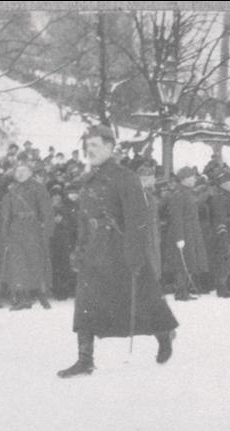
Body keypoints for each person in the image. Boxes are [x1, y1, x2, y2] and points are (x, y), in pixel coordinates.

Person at [57, 125, 179, 378]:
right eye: (87, 146)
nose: (90, 151)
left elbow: (137, 219)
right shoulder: (88, 180)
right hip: (94, 250)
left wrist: (135, 255)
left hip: (121, 250)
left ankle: (164, 333)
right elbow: (84, 220)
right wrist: (79, 250)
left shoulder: (125, 177)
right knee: (86, 303)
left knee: (144, 300)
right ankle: (85, 359)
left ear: (110, 147)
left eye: (95, 145)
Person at [1, 159, 54, 310]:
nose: (20, 173)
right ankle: (23, 297)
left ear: (30, 173)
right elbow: (6, 215)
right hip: (16, 230)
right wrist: (5, 234)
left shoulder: (39, 188)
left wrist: (47, 231)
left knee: (35, 262)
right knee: (19, 264)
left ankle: (41, 294)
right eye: (18, 171)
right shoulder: (12, 191)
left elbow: (47, 211)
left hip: (33, 229)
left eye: (23, 171)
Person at [165, 167, 209, 301]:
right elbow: (176, 217)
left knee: (189, 261)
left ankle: (184, 289)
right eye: (192, 177)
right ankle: (180, 291)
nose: (194, 179)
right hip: (184, 232)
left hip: (191, 231)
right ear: (184, 179)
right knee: (181, 261)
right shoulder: (179, 194)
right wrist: (179, 237)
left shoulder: (187, 193)